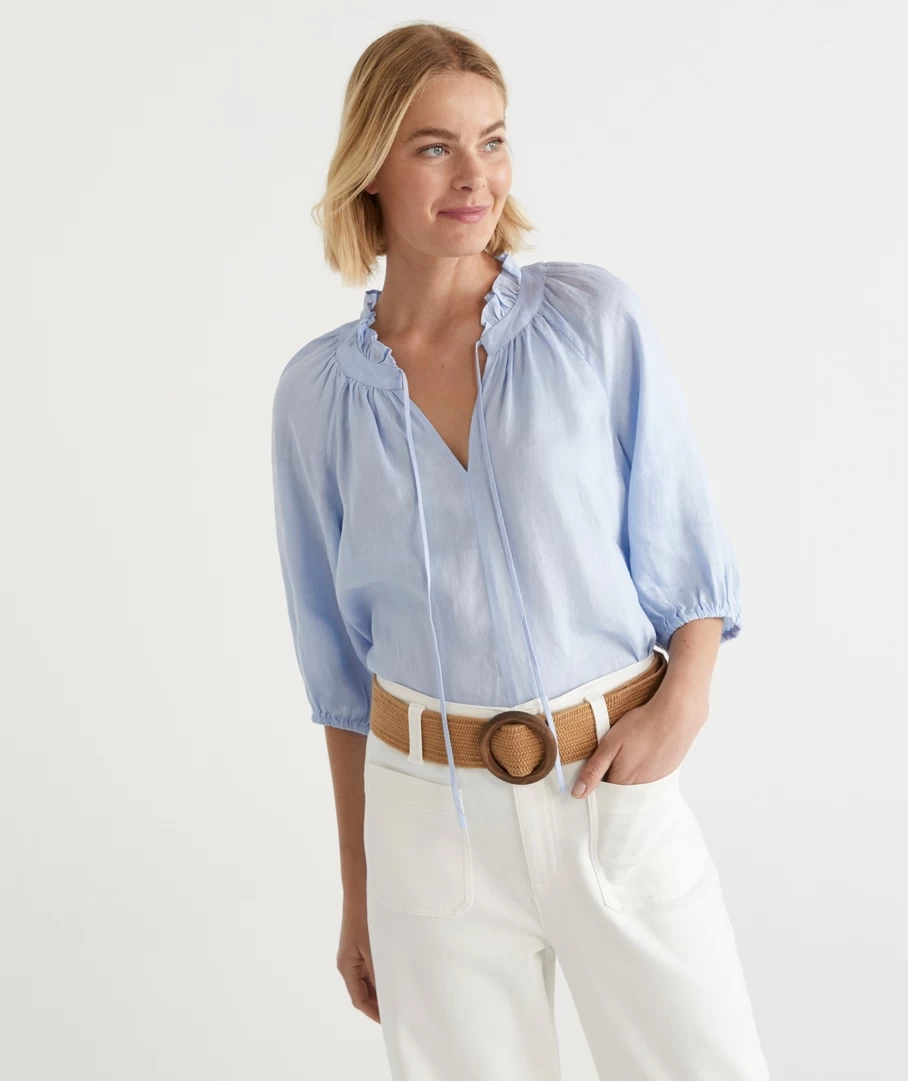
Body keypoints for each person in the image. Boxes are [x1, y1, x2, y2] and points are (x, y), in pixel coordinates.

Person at [270, 21, 772, 1081]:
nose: (475, 177)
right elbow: (339, 679)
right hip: (426, 828)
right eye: (435, 147)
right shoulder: (317, 396)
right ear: (371, 167)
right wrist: (360, 891)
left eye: (492, 141)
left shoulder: (591, 322)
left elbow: (685, 552)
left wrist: (682, 704)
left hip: (609, 791)